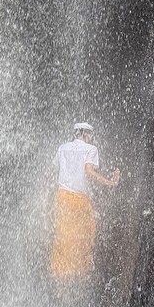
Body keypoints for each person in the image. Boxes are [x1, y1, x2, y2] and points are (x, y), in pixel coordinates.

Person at [50, 122, 120, 288]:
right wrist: (110, 182)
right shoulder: (91, 149)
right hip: (79, 200)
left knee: (64, 236)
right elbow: (89, 171)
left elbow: (53, 170)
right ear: (88, 135)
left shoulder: (63, 148)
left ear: (76, 133)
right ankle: (79, 278)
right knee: (85, 237)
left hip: (61, 197)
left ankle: (59, 277)